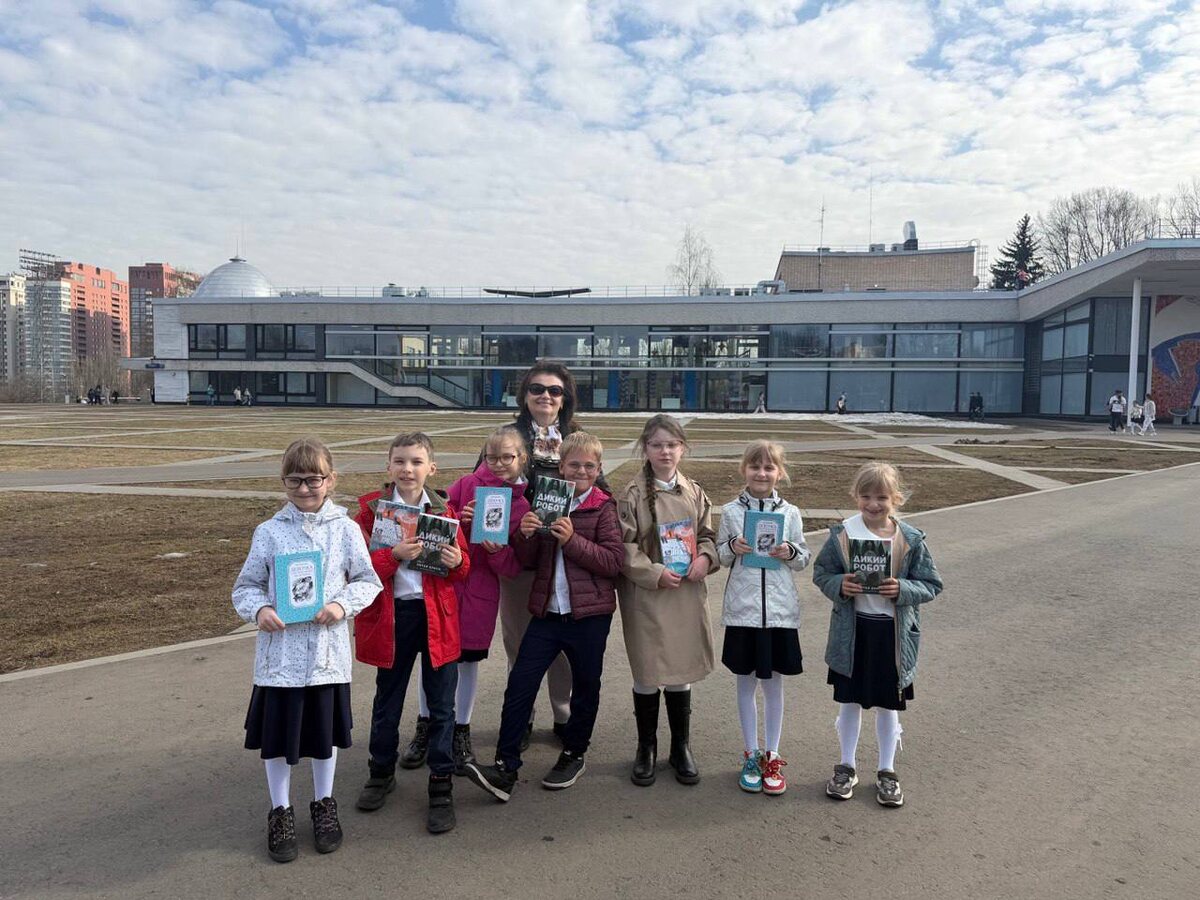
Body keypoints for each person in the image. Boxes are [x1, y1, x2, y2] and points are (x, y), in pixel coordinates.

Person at [232, 438, 383, 863]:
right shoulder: (269, 532)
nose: (304, 489)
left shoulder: (345, 529)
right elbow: (246, 586)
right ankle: (280, 809)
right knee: (278, 739)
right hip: (280, 658)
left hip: (324, 657)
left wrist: (341, 606)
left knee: (322, 736)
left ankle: (323, 803)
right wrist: (260, 609)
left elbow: (367, 580)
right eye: (295, 480)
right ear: (283, 481)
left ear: (330, 480)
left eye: (313, 479)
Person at [463, 432, 624, 801]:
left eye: (588, 466)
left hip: (589, 615)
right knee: (520, 683)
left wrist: (573, 541)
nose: (580, 471)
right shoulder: (546, 500)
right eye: (573, 465)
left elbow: (613, 562)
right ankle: (505, 767)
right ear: (561, 467)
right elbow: (530, 559)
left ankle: (574, 754)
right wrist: (525, 535)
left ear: (598, 469)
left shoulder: (603, 507)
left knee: (585, 687)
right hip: (548, 612)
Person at [352, 432, 470, 834]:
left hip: (437, 618)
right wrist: (393, 556)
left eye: (417, 462)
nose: (408, 469)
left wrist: (455, 561)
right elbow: (357, 569)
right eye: (400, 461)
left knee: (442, 706)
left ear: (431, 468)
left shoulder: (444, 510)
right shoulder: (371, 512)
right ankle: (381, 771)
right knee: (388, 699)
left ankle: (441, 783)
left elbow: (464, 568)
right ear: (388, 465)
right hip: (393, 617)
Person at [812, 462, 944, 808]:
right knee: (849, 701)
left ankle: (887, 770)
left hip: (892, 636)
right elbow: (822, 573)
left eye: (882, 497)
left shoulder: (909, 539)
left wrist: (903, 588)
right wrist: (840, 584)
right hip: (853, 633)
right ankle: (846, 766)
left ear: (895, 499)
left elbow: (932, 584)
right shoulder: (843, 534)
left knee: (888, 705)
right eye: (866, 496)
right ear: (856, 496)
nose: (873, 504)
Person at [618, 414, 719, 786]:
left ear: (683, 449)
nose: (665, 451)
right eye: (657, 444)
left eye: (672, 445)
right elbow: (624, 547)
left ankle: (680, 746)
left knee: (681, 671)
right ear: (645, 448)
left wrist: (705, 558)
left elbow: (708, 534)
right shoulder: (630, 495)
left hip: (685, 592)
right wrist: (654, 572)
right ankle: (646, 747)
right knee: (647, 672)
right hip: (648, 595)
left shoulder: (694, 491)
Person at [716, 441, 811, 796]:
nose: (761, 473)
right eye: (755, 466)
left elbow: (803, 557)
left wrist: (790, 551)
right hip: (744, 611)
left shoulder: (791, 513)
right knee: (745, 683)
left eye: (769, 467)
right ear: (744, 470)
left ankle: (772, 753)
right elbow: (721, 556)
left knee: (774, 686)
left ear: (779, 473)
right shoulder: (730, 512)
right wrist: (732, 547)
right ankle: (750, 754)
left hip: (779, 613)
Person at [444, 425, 532, 773]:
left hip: (481, 589)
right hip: (446, 585)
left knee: (468, 661)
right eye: (492, 457)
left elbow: (513, 566)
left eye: (507, 457)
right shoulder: (467, 484)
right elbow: (435, 520)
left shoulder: (521, 505)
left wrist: (497, 552)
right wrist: (457, 519)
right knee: (436, 660)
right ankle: (428, 724)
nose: (498, 464)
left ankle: (461, 728)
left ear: (521, 458)